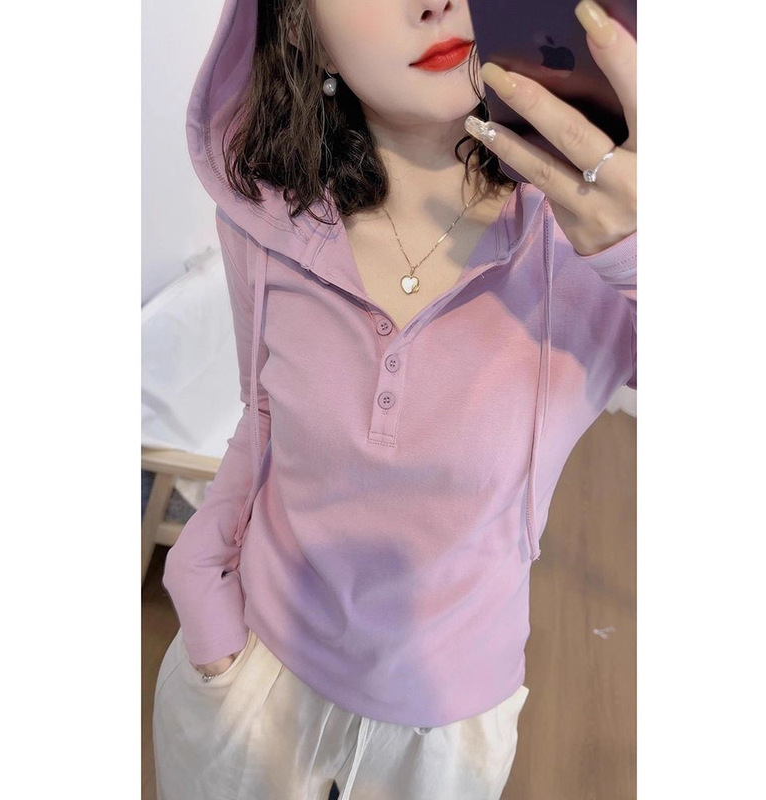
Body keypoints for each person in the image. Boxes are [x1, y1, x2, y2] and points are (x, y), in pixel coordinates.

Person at [152, 0, 637, 798]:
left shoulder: (592, 245)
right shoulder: (267, 217)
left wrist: (637, 255)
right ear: (306, 30)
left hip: (440, 734)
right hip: (246, 677)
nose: (435, 3)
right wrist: (200, 586)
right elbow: (261, 414)